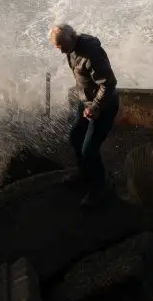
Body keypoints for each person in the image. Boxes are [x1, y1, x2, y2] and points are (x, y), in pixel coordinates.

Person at [49, 24, 120, 206]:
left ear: (72, 37)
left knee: (89, 149)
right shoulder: (71, 49)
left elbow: (109, 83)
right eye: (59, 48)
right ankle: (85, 174)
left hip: (104, 105)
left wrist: (95, 107)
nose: (62, 52)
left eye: (62, 47)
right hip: (86, 102)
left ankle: (100, 187)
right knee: (75, 137)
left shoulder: (92, 53)